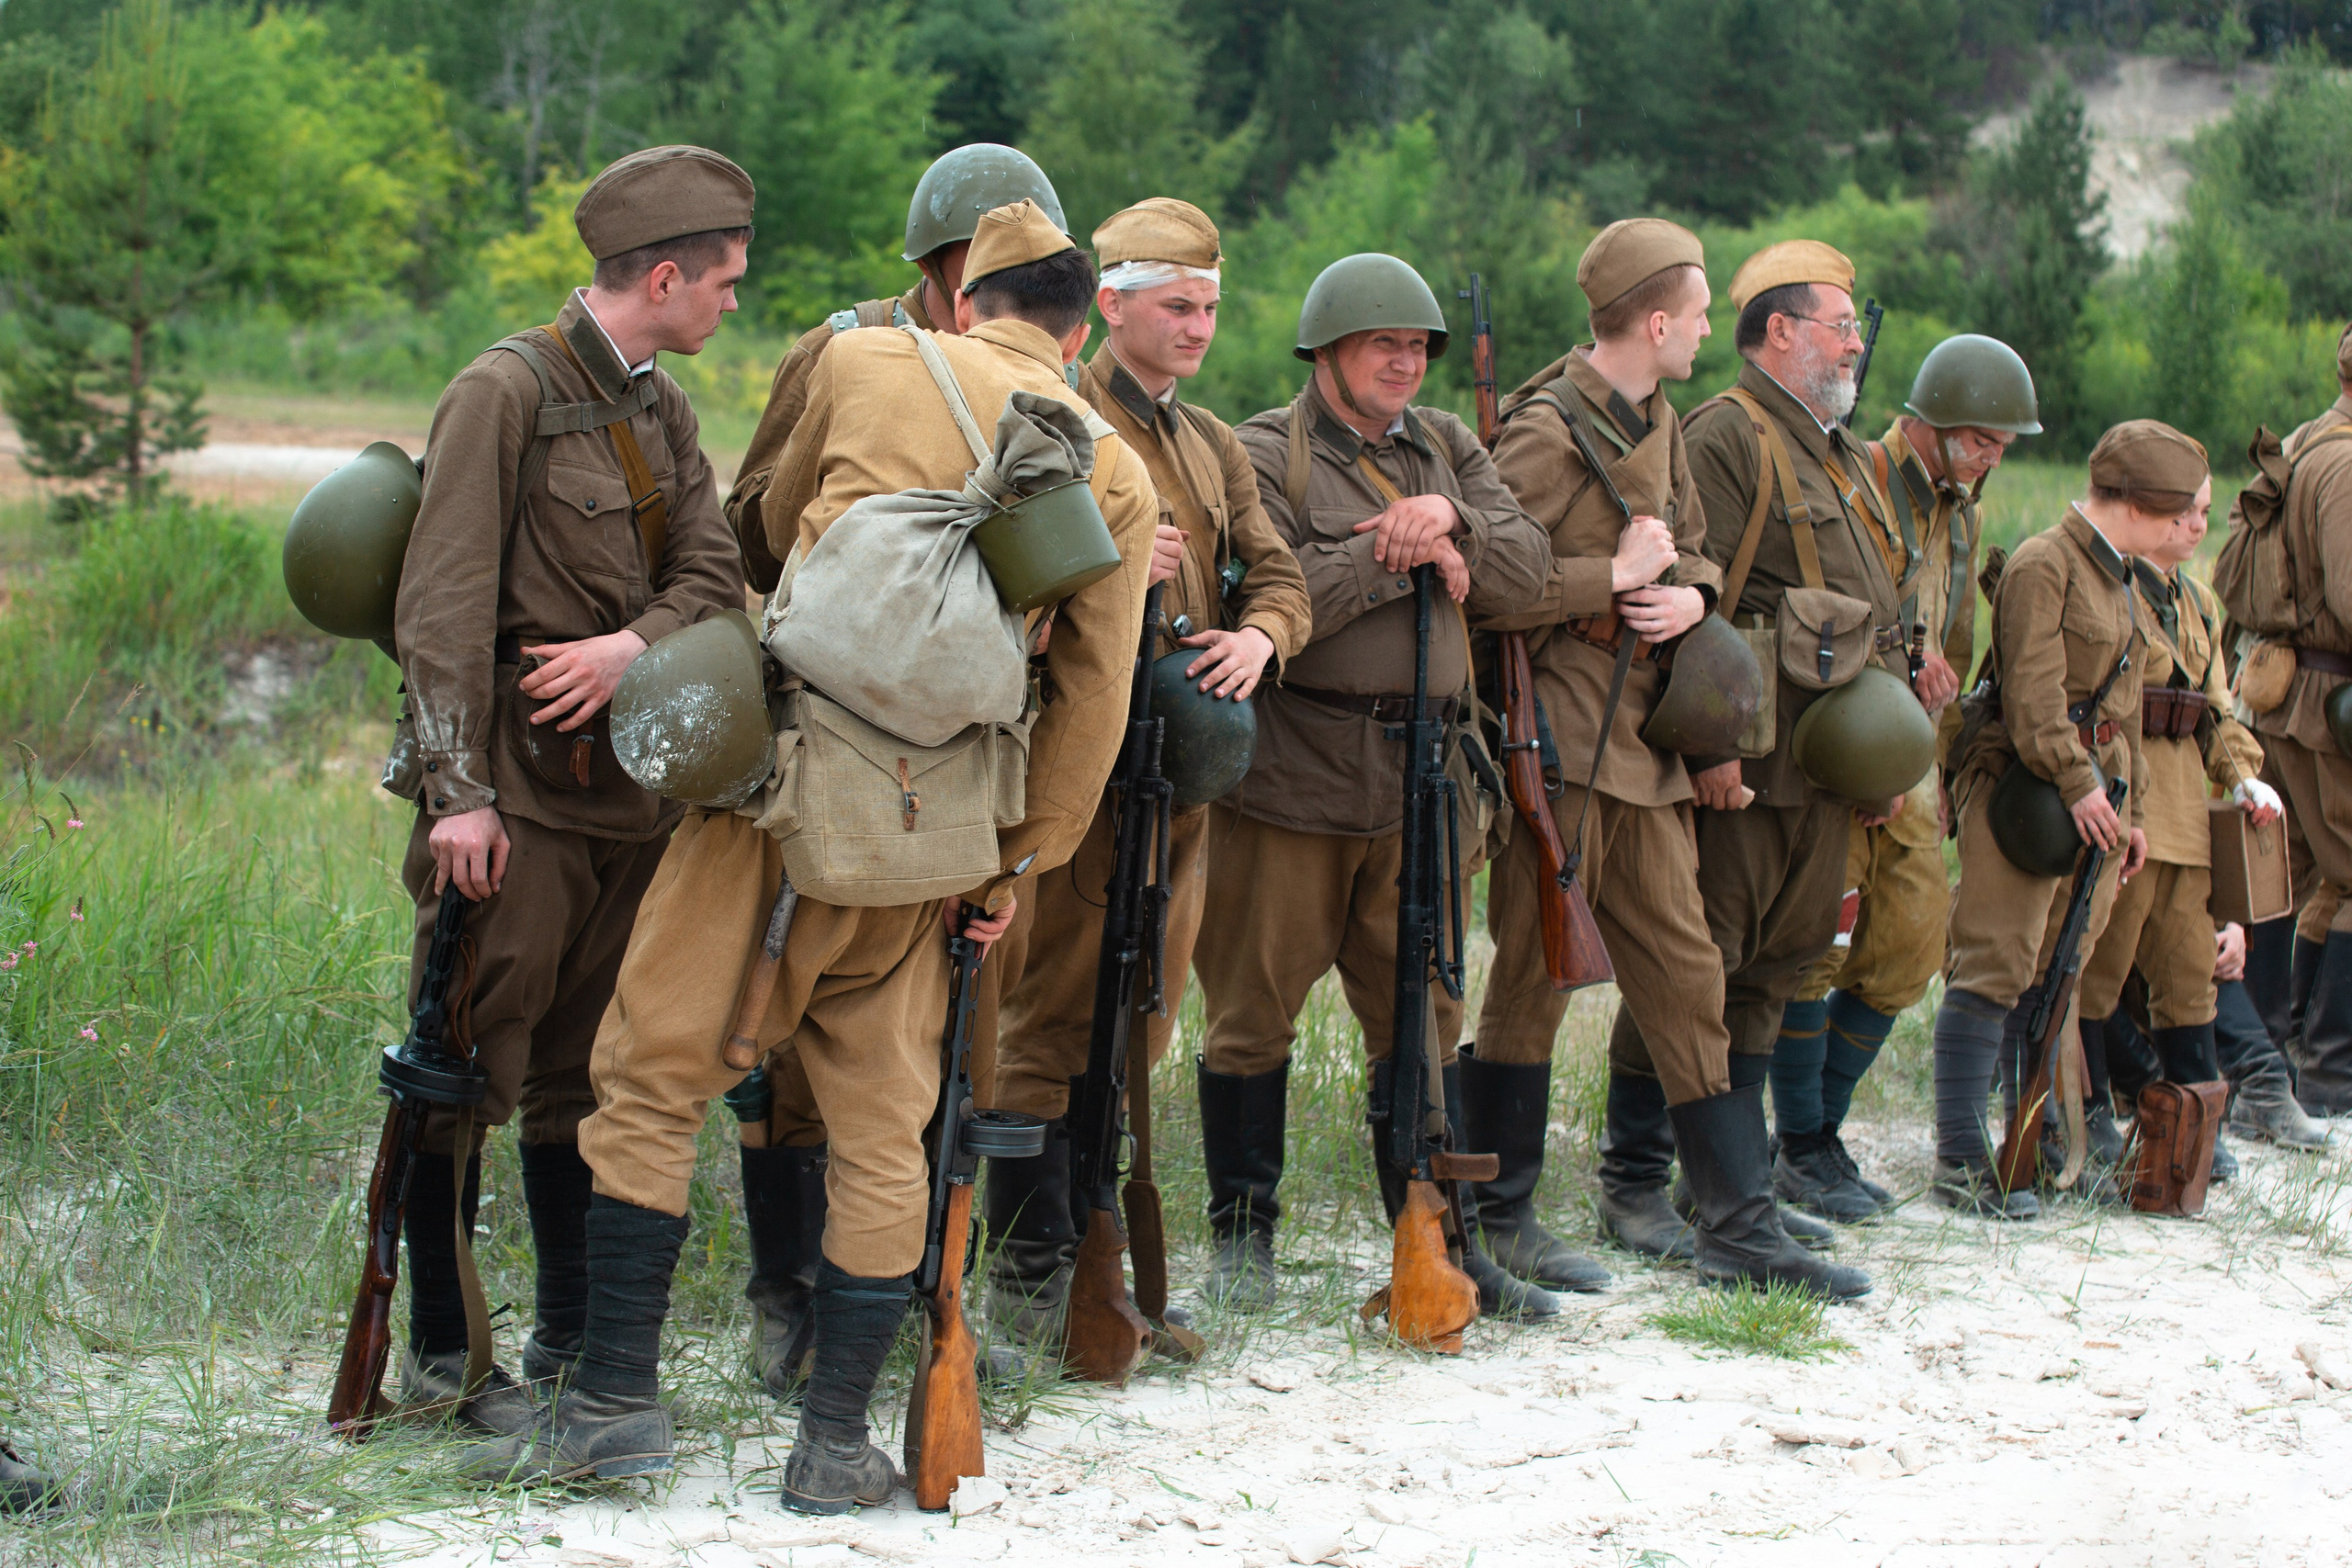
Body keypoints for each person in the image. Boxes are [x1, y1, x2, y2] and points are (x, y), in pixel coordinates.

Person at [466, 200, 1160, 1514]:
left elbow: (768, 534)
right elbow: (1094, 700)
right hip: (936, 846)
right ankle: (834, 1442)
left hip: (777, 813)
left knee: (650, 1080)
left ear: (966, 302)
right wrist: (1014, 867)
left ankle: (612, 1405)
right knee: (886, 1133)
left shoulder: (859, 360)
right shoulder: (1112, 466)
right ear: (1078, 334)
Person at [385, 145, 751, 1429]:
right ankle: (441, 1357)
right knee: (464, 1065)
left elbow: (713, 574)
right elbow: (439, 601)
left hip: (628, 800)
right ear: (663, 278)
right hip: (516, 803)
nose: (733, 301)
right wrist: (457, 794)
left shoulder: (661, 410)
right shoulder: (503, 391)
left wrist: (628, 646)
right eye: (723, 280)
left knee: (585, 1074)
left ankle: (568, 1340)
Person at [716, 142, 1068, 1403]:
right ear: (939, 268)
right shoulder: (843, 351)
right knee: (787, 1050)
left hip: (973, 765)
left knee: (946, 1050)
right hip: (836, 742)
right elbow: (758, 523)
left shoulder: (1045, 377)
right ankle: (787, 1298)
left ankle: (927, 1300)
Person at [1189, 253, 1555, 1315]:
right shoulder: (1261, 451)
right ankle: (1242, 1242)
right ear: (1327, 349)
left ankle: (1432, 1236)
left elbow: (1527, 571)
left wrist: (1454, 523)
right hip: (1293, 783)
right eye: (1381, 344)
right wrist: (1396, 555)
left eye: (1416, 347)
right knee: (1251, 1014)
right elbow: (1266, 597)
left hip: (1423, 785)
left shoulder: (1447, 447)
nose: (1404, 363)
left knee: (1425, 1022)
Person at [980, 197, 1312, 1353]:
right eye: (1176, 305)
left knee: (1144, 1023)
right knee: (1050, 1022)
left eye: (1210, 307)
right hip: (1081, 778)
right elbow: (996, 578)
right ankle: (1027, 1280)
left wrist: (1260, 637)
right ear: (1109, 307)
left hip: (1179, 785)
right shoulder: (1054, 416)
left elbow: (1280, 575)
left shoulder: (1212, 441)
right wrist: (1110, 555)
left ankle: (1095, 1274)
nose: (1198, 327)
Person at [1607, 239, 1919, 1299]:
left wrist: (1879, 753)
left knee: (1773, 972)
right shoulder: (1729, 435)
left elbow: (1865, 616)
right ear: (1778, 331)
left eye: (1855, 327)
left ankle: (1724, 1186)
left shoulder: (1838, 453)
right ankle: (1632, 1181)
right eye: (1839, 325)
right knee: (1696, 970)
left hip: (1821, 766)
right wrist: (1709, 751)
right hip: (1748, 765)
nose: (1855, 344)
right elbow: (1696, 603)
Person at [1470, 219, 1726, 1295]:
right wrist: (1609, 580)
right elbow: (1485, 582)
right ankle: (1500, 1214)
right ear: (1655, 321)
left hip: (1642, 733)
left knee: (1687, 968)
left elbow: (1698, 547)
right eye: (1698, 314)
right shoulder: (1542, 431)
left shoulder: (1658, 419)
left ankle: (1735, 1211)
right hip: (1561, 736)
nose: (1706, 331)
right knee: (1533, 976)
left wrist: (1691, 596)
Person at [1772, 335, 2039, 1223]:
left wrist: (1942, 759)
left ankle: (1818, 1133)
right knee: (1819, 943)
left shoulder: (1960, 513)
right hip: (1847, 743)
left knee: (1910, 947)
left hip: (1915, 755)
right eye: (1983, 439)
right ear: (1934, 422)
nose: (1994, 456)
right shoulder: (1857, 481)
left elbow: (1952, 646)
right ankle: (1799, 1145)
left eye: (2003, 444)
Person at [1928, 421, 2199, 1216]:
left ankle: (2035, 1139)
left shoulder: (2123, 577)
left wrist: (2131, 811)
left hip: (2090, 797)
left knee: (2053, 972)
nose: (2183, 526)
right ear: (2139, 506)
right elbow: (2033, 697)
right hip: (2028, 793)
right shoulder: (2046, 564)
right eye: (2174, 511)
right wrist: (2082, 784)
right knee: (1995, 963)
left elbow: (2124, 709)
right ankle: (1960, 1156)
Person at [2072, 472, 2278, 1184]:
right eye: (2185, 510)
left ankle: (2195, 1117)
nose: (2197, 525)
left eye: (2205, 511)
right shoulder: (2109, 584)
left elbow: (2215, 707)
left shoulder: (2197, 600)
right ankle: (2089, 1114)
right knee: (2101, 966)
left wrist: (2243, 774)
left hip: (2187, 807)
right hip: (2128, 794)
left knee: (2192, 971)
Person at [2248, 323, 2352, 1117]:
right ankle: (2331, 1069)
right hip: (2329, 702)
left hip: (2291, 694)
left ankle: (2279, 1055)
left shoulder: (2303, 441)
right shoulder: (2345, 464)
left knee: (2306, 878)